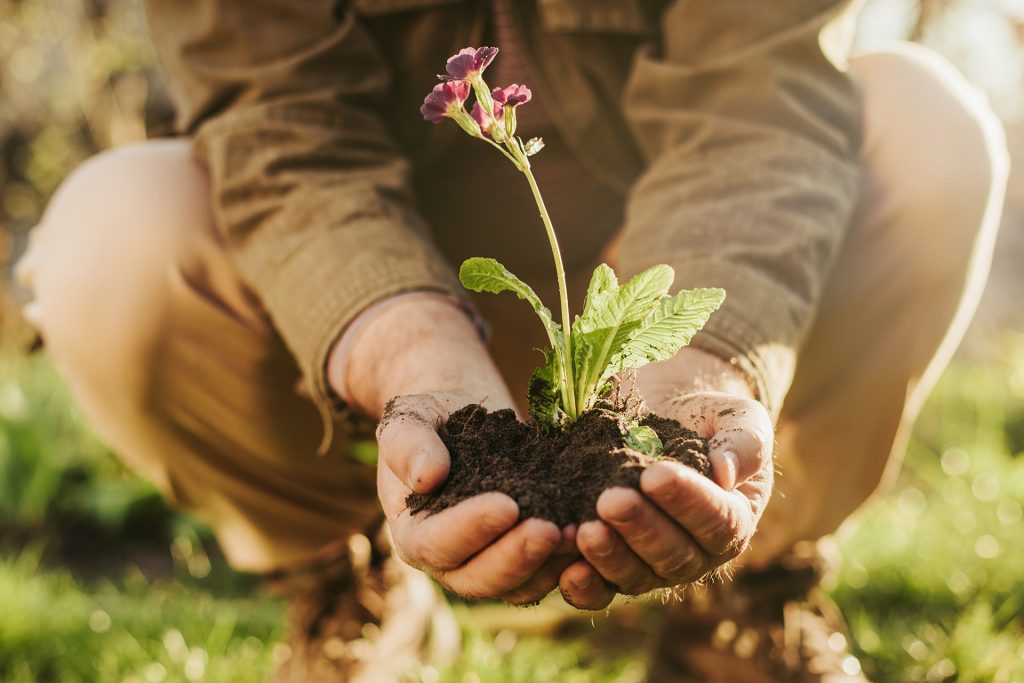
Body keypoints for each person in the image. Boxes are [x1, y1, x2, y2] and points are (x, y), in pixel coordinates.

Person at [15, 0, 1007, 681]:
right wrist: (407, 348)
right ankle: (351, 585)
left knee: (925, 129)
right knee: (111, 230)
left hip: (654, 272)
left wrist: (706, 362)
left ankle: (746, 596)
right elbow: (283, 127)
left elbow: (757, 105)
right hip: (380, 290)